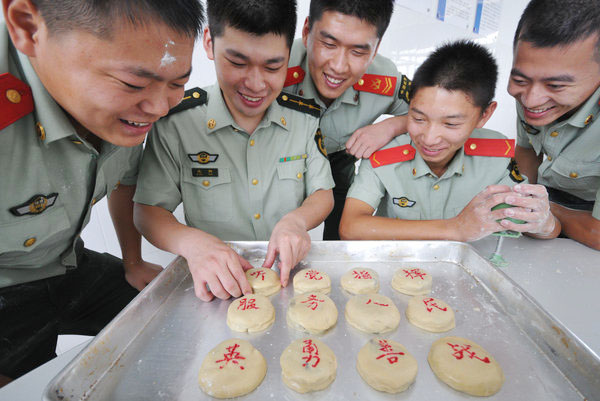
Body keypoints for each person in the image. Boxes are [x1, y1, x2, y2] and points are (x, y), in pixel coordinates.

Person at [0, 0, 204, 383]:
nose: (159, 107)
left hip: (66, 260)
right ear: (28, 27)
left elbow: (124, 179)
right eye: (134, 84)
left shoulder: (130, 109)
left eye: (178, 83)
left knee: (177, 319)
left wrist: (133, 259)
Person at [133, 0, 335, 302]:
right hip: (214, 285)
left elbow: (323, 193)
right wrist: (193, 245)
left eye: (272, 66)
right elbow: (148, 211)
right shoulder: (177, 122)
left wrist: (296, 221)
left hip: (288, 282)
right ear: (209, 43)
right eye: (238, 63)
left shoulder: (303, 119)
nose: (255, 84)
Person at [339, 40, 560, 242]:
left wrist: (545, 223)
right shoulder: (383, 152)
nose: (429, 138)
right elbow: (351, 227)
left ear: (485, 115)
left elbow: (532, 222)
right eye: (418, 118)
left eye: (451, 124)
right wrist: (455, 229)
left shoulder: (495, 156)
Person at [283, 0, 410, 240]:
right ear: (307, 30)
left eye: (358, 51)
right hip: (279, 163)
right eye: (329, 44)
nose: (339, 67)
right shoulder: (278, 65)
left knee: (340, 242)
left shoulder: (385, 80)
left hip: (339, 163)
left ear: (376, 47)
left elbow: (430, 112)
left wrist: (391, 126)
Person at [509, 0, 600, 250]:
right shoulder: (533, 95)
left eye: (556, 86)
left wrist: (537, 209)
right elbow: (527, 149)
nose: (531, 99)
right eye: (519, 79)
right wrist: (521, 194)